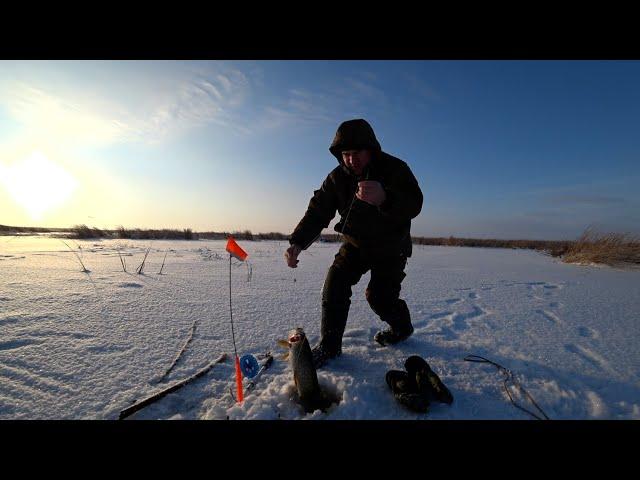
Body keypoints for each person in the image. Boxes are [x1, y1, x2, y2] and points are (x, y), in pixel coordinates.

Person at [285, 119, 423, 368]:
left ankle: (402, 327)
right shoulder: (338, 178)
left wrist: (385, 198)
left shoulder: (395, 169)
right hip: (356, 245)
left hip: (391, 247)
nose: (351, 160)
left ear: (370, 149)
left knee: (379, 298)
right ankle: (329, 347)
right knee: (335, 283)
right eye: (345, 154)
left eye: (356, 153)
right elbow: (318, 211)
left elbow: (415, 203)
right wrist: (297, 242)